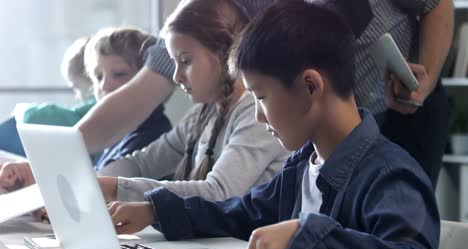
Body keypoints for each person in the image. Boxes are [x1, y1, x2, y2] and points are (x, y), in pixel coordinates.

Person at [107, 2, 440, 249]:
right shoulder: (300, 167)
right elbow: (237, 213)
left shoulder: (390, 175)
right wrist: (155, 210)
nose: (259, 116)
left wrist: (309, 235)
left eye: (261, 97)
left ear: (310, 86)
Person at [76, 0, 453, 188]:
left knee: (390, 209)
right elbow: (153, 76)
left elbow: (436, 5)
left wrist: (427, 77)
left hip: (401, 111)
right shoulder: (209, 114)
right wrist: (72, 157)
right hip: (315, 121)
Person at [96, 0, 289, 203]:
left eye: (185, 61)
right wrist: (95, 181)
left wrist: (117, 189)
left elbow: (219, 192)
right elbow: (142, 164)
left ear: (224, 54)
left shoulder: (256, 113)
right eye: (174, 63)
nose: (176, 77)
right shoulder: (202, 114)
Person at [0, 27, 173, 193]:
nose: (104, 85)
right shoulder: (117, 136)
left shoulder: (151, 137)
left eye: (119, 74)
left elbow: (109, 191)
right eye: (98, 77)